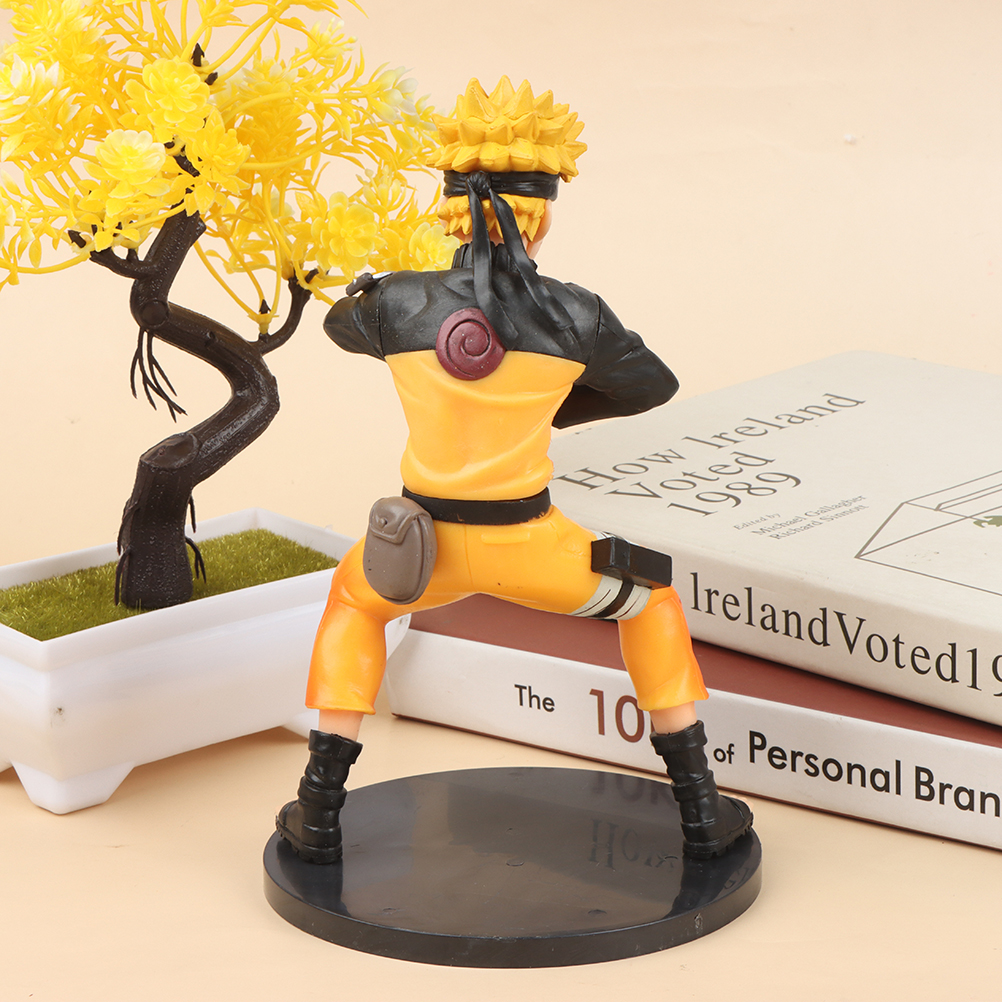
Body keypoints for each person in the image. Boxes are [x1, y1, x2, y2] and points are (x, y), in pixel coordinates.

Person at [277, 78, 753, 864]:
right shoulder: (577, 314)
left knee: (353, 604)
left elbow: (338, 324)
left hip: (420, 550)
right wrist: (553, 400)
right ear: (538, 217)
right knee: (653, 603)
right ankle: (701, 812)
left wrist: (405, 296)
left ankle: (319, 811)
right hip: (535, 549)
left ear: (449, 208)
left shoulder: (393, 303)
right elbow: (652, 386)